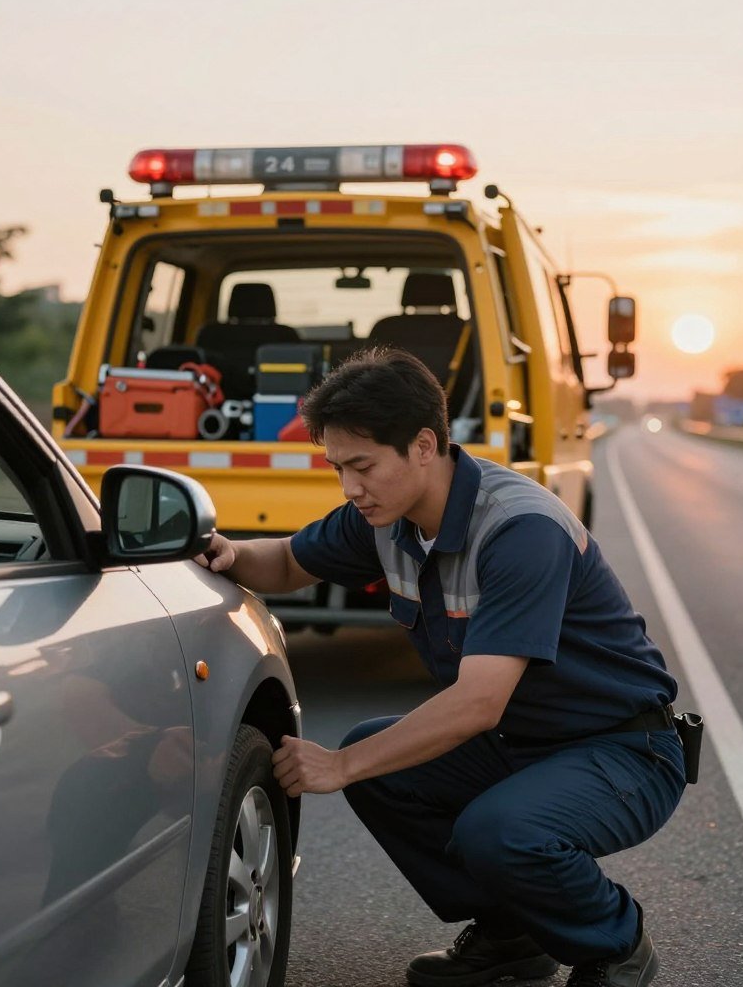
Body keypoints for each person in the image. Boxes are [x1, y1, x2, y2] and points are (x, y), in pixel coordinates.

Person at [197, 347, 685, 987]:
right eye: (338, 468)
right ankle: (512, 937)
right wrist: (222, 553)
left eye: (363, 467)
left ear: (424, 445)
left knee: (495, 830)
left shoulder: (519, 528)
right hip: (517, 741)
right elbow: (287, 563)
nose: (350, 487)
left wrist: (339, 769)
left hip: (621, 749)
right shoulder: (385, 518)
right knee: (379, 760)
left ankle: (617, 944)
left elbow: (478, 702)